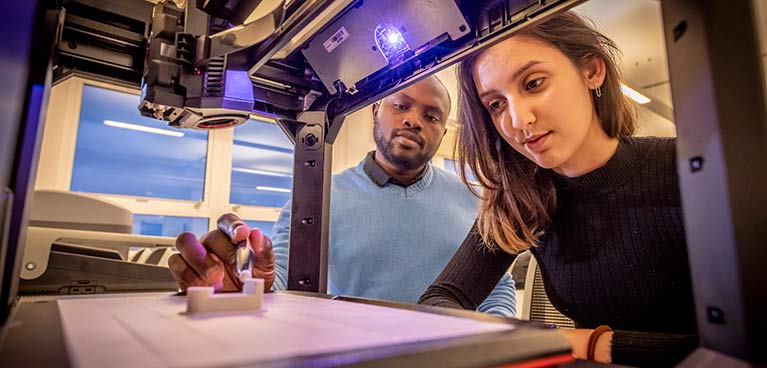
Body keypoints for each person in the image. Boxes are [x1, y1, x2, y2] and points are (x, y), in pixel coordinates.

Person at [418, 12, 697, 366]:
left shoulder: (685, 167)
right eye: (497, 105)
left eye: (534, 83)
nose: (519, 122)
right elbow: (440, 301)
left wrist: (589, 343)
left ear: (592, 71)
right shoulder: (520, 200)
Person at [168, 76, 517, 317]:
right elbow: (285, 281)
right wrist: (244, 283)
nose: (414, 121)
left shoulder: (474, 200)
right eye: (401, 106)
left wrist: (495, 340)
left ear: (443, 132)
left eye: (431, 116)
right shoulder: (317, 200)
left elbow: (495, 286)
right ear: (375, 111)